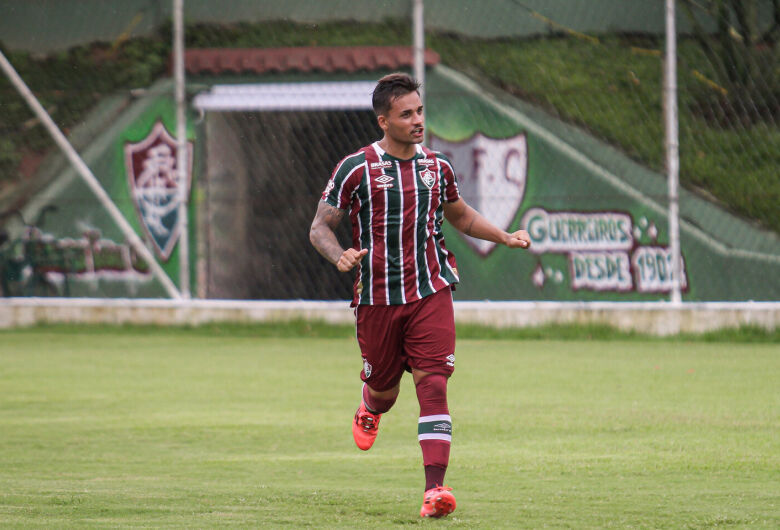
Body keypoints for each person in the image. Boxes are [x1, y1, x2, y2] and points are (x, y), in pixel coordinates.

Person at [309, 72, 531, 518]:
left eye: (420, 111)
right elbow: (320, 227)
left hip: (431, 290)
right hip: (377, 300)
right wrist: (339, 257)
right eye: (406, 114)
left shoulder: (437, 167)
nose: (417, 120)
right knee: (386, 391)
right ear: (383, 121)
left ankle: (435, 491)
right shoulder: (356, 169)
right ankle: (370, 405)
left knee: (433, 385)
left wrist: (504, 237)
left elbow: (462, 216)